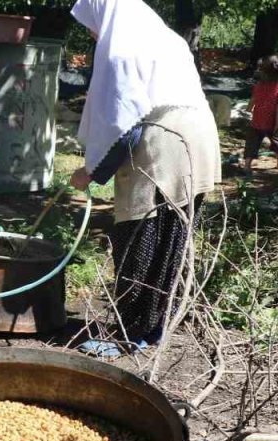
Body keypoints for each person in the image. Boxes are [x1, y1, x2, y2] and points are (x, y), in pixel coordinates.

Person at [67, 0, 221, 353]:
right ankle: (151, 327)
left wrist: (91, 172)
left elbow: (123, 127)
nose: (92, 32)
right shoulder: (164, 38)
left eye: (90, 24)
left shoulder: (121, 49)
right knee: (171, 237)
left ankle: (128, 336)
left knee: (138, 236)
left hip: (164, 143)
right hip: (198, 138)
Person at [244, 54, 278, 173]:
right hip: (271, 122)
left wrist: (248, 112)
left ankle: (247, 164)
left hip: (256, 121)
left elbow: (252, 100)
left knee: (252, 143)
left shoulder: (258, 86)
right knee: (277, 141)